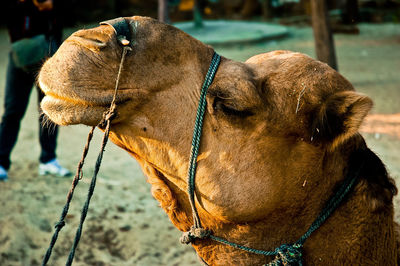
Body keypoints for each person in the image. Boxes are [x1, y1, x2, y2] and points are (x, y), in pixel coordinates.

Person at [0, 0, 70, 181]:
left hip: (49, 59)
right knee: (12, 112)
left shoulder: (55, 7)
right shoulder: (18, 6)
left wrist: (52, 6)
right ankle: (1, 162)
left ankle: (48, 160)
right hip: (21, 60)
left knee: (49, 112)